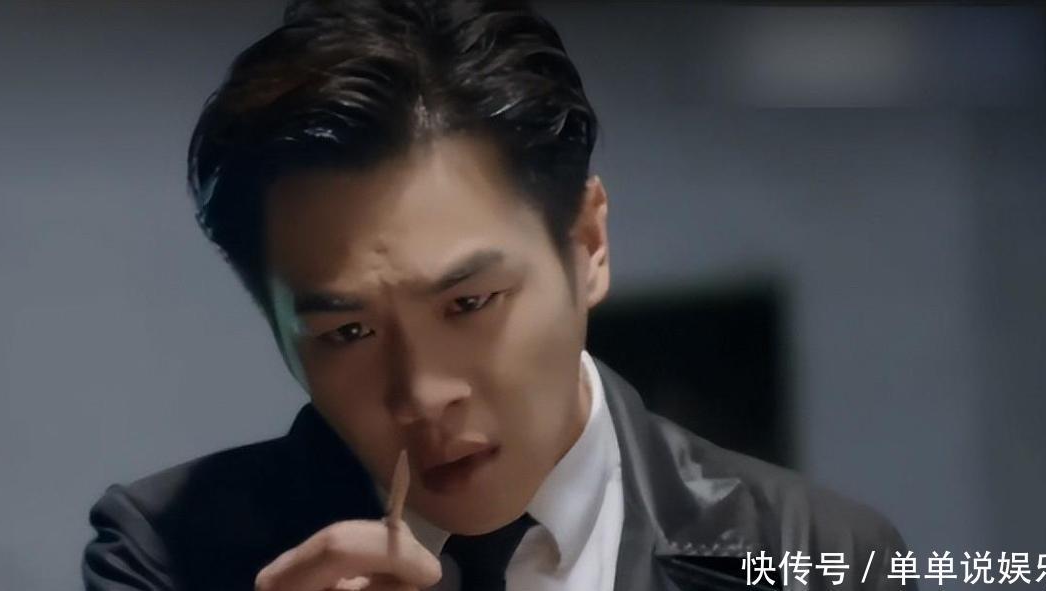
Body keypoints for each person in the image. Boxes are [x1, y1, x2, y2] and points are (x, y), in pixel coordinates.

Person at [82, 1, 914, 589]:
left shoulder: (822, 556)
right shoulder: (167, 555)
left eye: (469, 304)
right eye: (347, 333)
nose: (421, 394)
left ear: (587, 243)